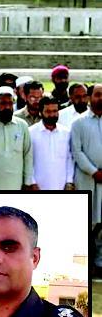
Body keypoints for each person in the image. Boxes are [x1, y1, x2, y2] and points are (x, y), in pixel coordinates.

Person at [71, 83, 102, 273]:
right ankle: (84, 265)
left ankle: (99, 263)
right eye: (97, 94)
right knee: (87, 222)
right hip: (87, 179)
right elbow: (77, 151)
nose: (101, 98)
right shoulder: (79, 123)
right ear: (90, 97)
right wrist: (94, 171)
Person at [29, 96, 74, 191]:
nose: (52, 115)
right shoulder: (31, 133)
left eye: (55, 111)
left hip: (62, 186)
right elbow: (28, 160)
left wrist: (69, 182)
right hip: (38, 186)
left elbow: (70, 159)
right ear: (40, 112)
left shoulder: (66, 132)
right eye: (48, 112)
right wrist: (32, 182)